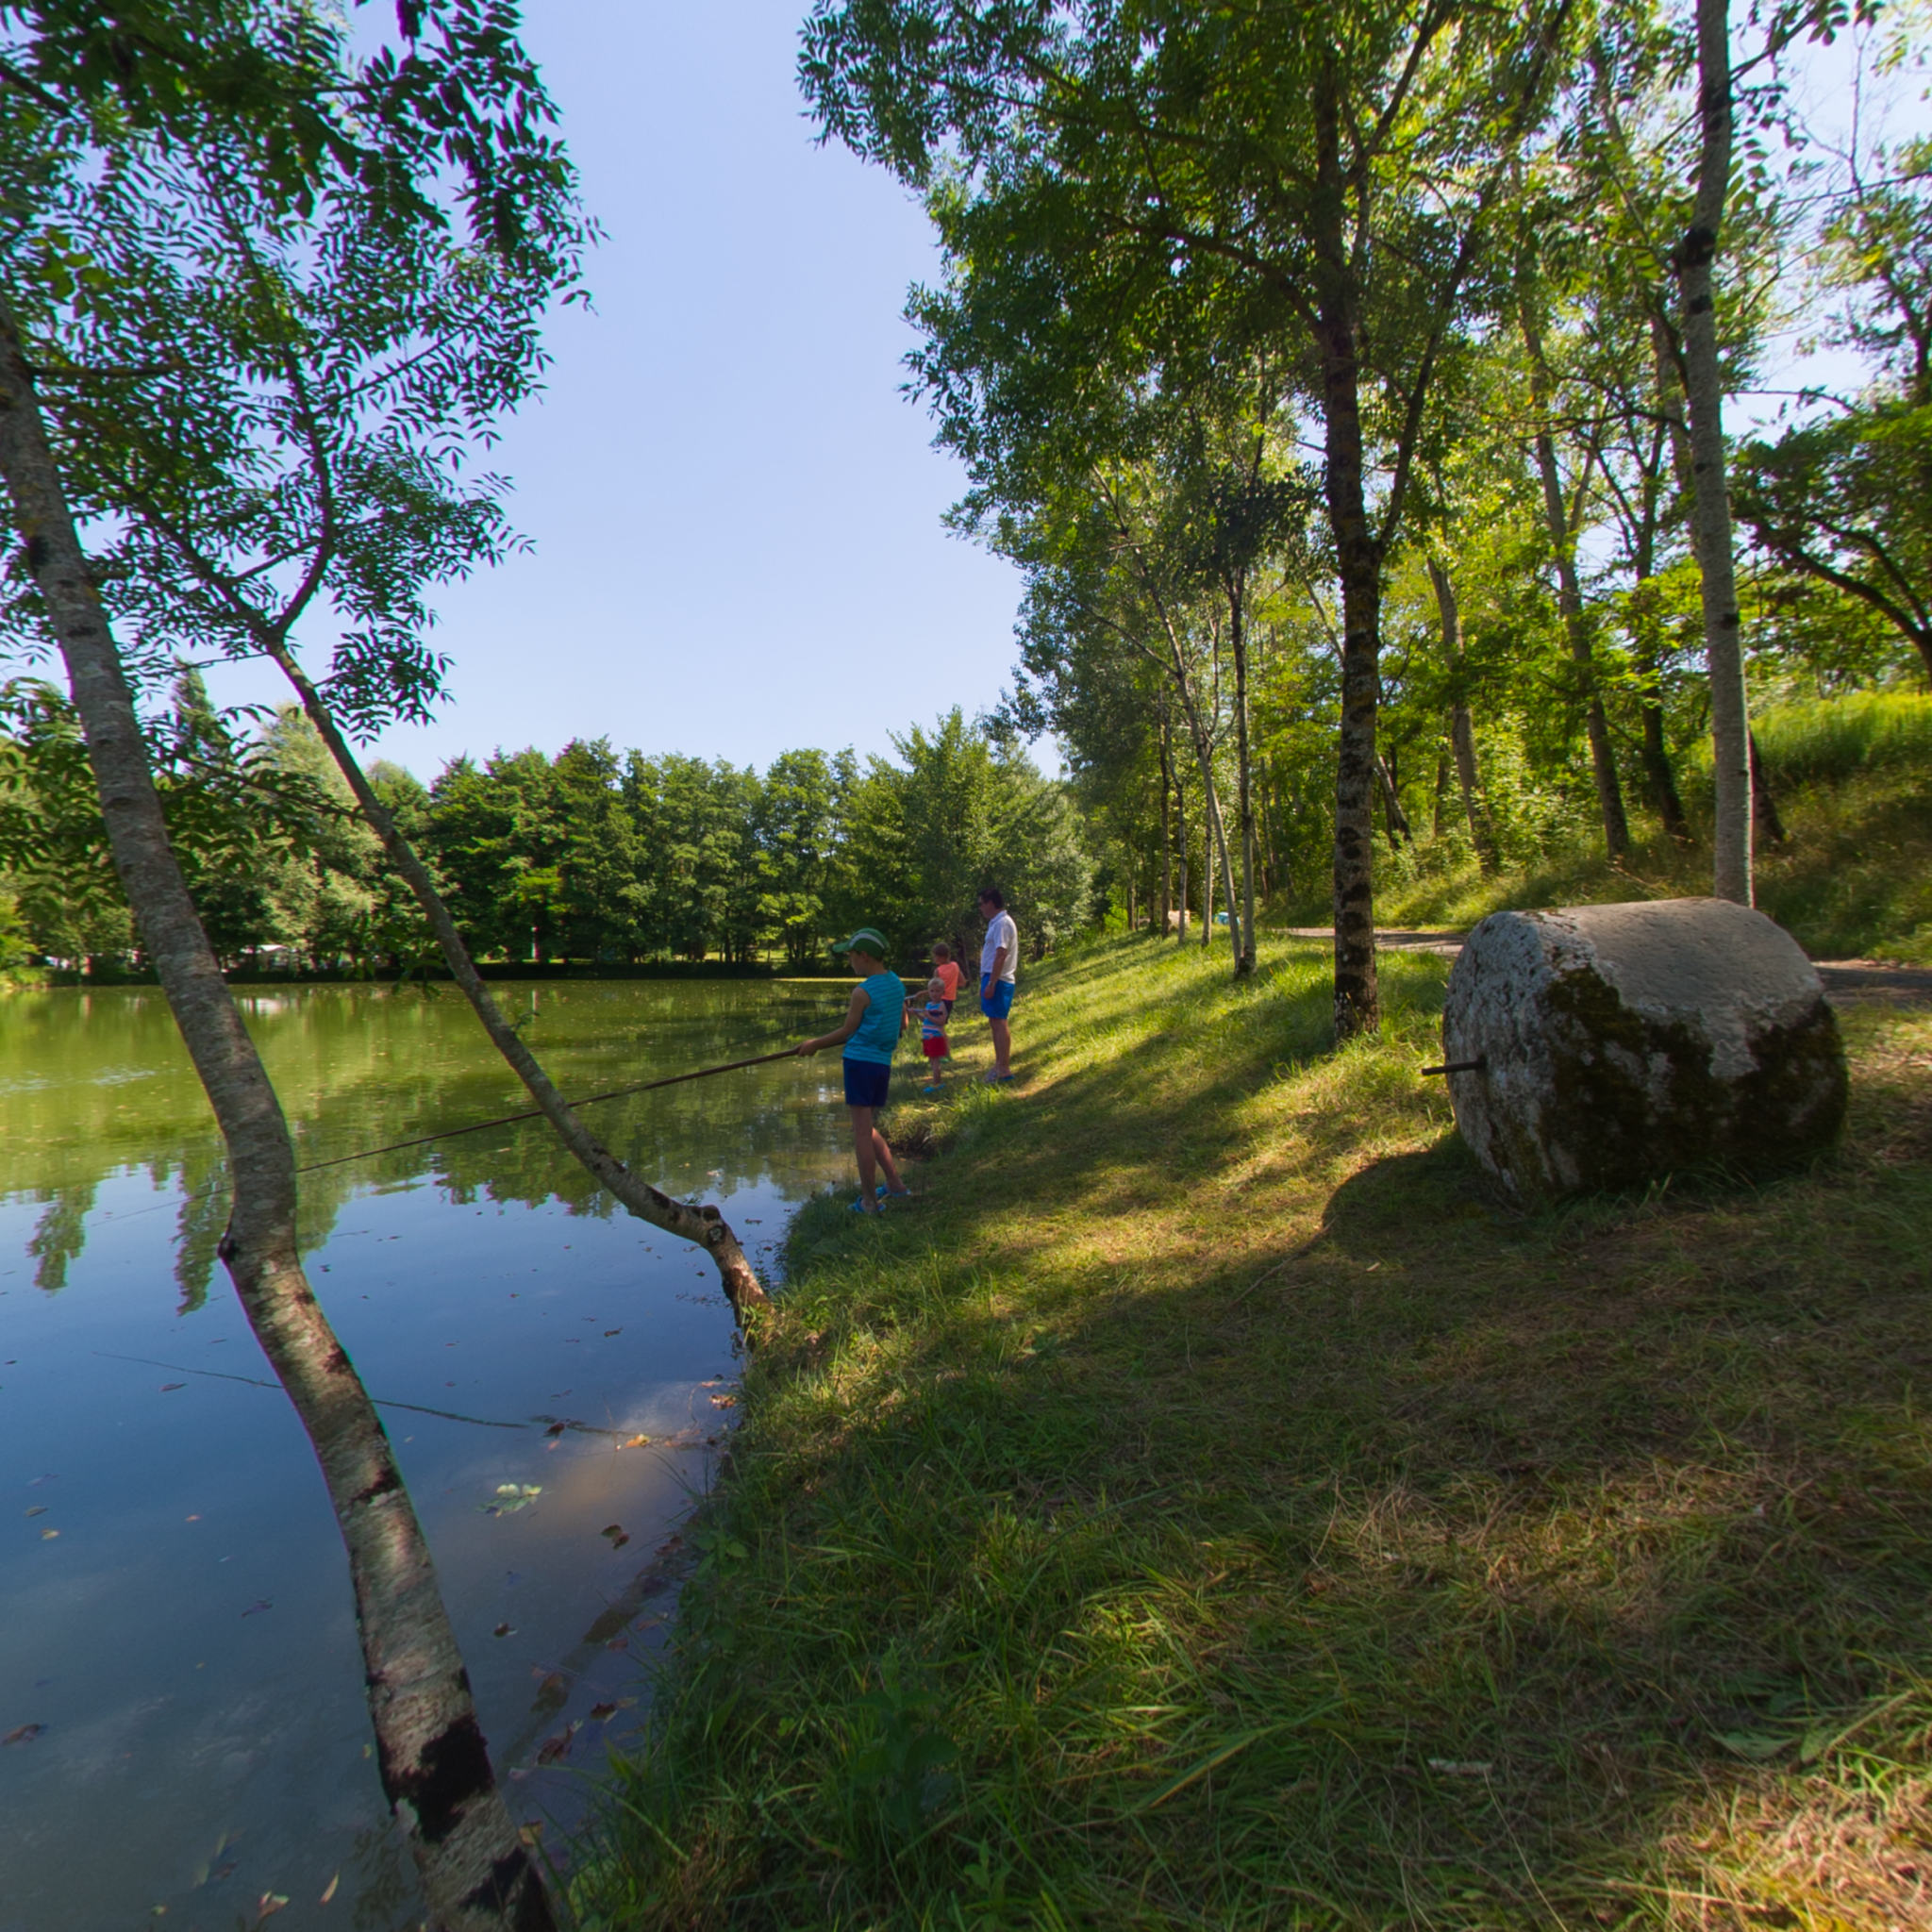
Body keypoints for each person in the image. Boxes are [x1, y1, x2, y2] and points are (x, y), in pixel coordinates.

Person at [795, 927, 910, 1213]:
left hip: (859, 1064)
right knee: (867, 1127)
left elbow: (848, 1031)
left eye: (851, 955)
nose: (849, 961)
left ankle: (869, 1201)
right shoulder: (896, 984)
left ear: (865, 956)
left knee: (861, 1133)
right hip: (882, 1064)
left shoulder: (862, 992)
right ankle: (895, 1184)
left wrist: (814, 1044)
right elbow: (903, 1026)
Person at [976, 886, 1017, 1083]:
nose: (980, 908)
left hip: (999, 980)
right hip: (993, 978)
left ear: (991, 903)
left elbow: (1001, 953)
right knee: (994, 1021)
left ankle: (1004, 1068)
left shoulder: (1002, 923)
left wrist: (992, 982)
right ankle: (999, 1064)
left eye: (982, 904)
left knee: (999, 1022)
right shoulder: (996, 923)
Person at [915, 975, 950, 1091]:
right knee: (931, 1060)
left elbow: (942, 1022)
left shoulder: (941, 1006)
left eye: (937, 991)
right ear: (928, 992)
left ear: (943, 992)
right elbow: (925, 1020)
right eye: (932, 991)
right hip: (927, 1037)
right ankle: (936, 1081)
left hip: (936, 1036)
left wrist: (929, 1015)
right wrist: (917, 1014)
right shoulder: (929, 1005)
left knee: (935, 1061)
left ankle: (937, 1083)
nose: (934, 994)